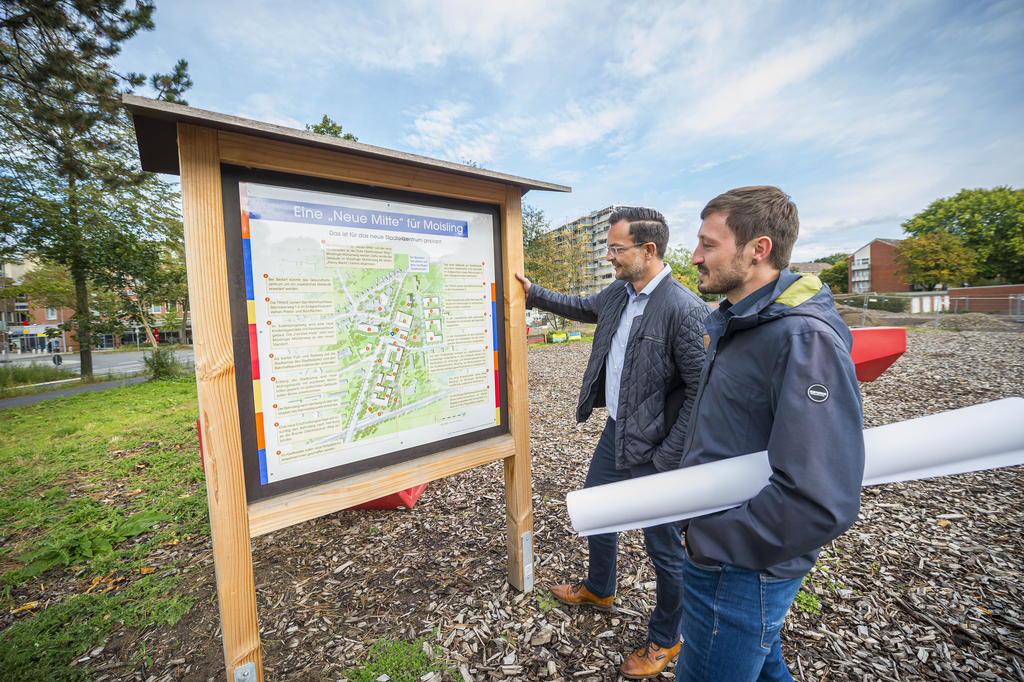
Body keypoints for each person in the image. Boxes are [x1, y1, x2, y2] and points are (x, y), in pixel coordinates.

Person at [676, 186, 864, 681]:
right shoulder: (739, 322)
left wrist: (707, 539)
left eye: (707, 245)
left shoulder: (802, 338)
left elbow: (819, 495)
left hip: (740, 567)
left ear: (758, 249)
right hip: (730, 550)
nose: (694, 256)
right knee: (763, 668)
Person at [515, 207, 708, 679]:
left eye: (616, 248)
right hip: (618, 432)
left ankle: (668, 637)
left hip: (658, 449)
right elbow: (583, 306)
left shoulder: (683, 309)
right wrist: (533, 293)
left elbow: (702, 394)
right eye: (609, 247)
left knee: (664, 548)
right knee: (598, 513)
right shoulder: (621, 293)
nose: (609, 256)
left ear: (648, 250)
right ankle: (600, 588)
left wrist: (667, 457)